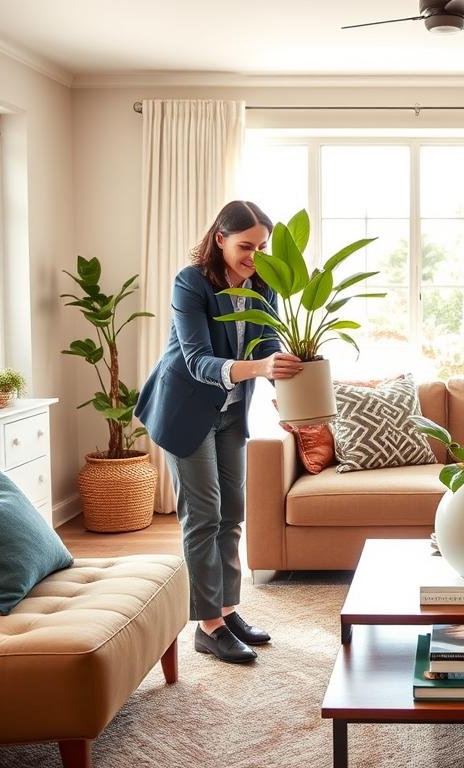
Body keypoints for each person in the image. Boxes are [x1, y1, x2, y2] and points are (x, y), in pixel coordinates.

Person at [135, 200, 302, 664]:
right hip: (186, 410)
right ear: (220, 239)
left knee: (232, 512)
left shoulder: (263, 285)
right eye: (246, 246)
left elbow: (268, 344)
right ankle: (207, 626)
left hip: (230, 411)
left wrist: (289, 384)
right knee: (204, 515)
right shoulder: (191, 282)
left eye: (262, 247)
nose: (255, 256)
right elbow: (197, 360)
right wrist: (260, 368)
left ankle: (228, 611)